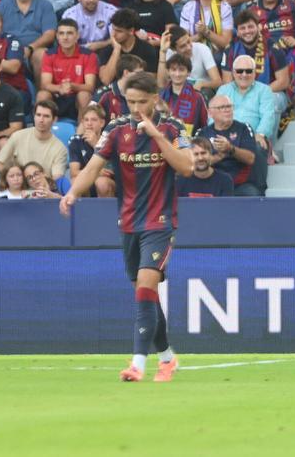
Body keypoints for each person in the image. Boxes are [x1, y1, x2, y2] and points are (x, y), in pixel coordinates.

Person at [58, 72, 190, 381]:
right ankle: (167, 358)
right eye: (131, 102)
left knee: (145, 285)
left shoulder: (172, 128)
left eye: (142, 102)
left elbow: (186, 166)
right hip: (129, 222)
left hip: (160, 222)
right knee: (146, 294)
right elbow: (93, 167)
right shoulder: (116, 130)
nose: (136, 108)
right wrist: (72, 192)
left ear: (155, 99)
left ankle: (138, 365)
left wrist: (156, 135)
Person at [197, 94, 260, 196]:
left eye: (229, 106)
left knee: (253, 194)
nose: (227, 110)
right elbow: (196, 163)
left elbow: (250, 159)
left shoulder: (244, 128)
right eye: (222, 107)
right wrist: (219, 156)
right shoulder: (203, 133)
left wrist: (230, 148)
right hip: (211, 183)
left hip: (239, 184)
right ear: (210, 113)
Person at [0, 0, 55, 71]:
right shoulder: (0, 7)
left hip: (34, 50)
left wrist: (31, 48)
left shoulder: (45, 6)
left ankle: (41, 83)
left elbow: (49, 35)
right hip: (7, 51)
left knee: (42, 54)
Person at [38, 19, 97, 120]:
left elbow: (90, 87)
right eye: (61, 33)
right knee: (42, 95)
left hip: (77, 97)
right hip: (57, 96)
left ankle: (83, 128)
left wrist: (72, 86)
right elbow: (45, 84)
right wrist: (59, 88)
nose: (65, 37)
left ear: (77, 35)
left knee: (84, 95)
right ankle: (45, 128)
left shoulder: (89, 55)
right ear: (57, 36)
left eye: (69, 33)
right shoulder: (49, 54)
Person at [0, 99, 68, 179]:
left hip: (43, 185)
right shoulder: (18, 136)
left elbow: (57, 179)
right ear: (34, 116)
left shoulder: (60, 149)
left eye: (46, 116)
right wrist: (10, 178)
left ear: (54, 120)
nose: (41, 120)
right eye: (38, 115)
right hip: (20, 184)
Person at [160, 25, 221, 94]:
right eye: (183, 46)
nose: (189, 47)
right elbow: (161, 85)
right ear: (174, 49)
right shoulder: (169, 52)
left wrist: (202, 84)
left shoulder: (202, 49)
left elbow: (217, 82)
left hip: (201, 90)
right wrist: (162, 52)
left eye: (189, 41)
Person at [160, 54, 209, 136]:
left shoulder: (197, 97)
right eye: (173, 70)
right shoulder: (161, 96)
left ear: (188, 73)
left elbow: (204, 125)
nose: (177, 74)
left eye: (181, 70)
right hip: (162, 139)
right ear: (168, 71)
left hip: (188, 140)